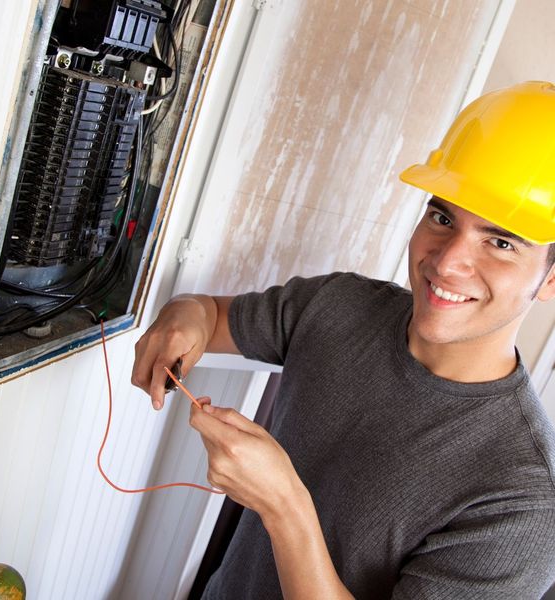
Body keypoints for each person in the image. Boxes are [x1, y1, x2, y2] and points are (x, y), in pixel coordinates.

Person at [132, 81, 555, 599]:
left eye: (501, 242)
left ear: (550, 279)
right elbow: (208, 314)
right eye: (442, 217)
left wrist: (284, 506)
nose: (446, 261)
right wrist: (184, 317)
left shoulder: (524, 502)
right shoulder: (340, 306)